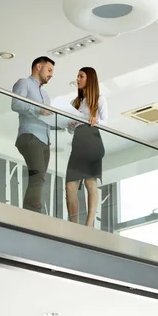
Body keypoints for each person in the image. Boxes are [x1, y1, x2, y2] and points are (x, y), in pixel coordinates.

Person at [11, 56, 55, 213]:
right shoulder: (24, 83)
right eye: (49, 70)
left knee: (39, 178)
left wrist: (63, 124)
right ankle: (34, 213)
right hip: (30, 135)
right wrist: (37, 109)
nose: (51, 74)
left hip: (45, 139)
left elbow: (46, 118)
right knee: (37, 176)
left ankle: (30, 213)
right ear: (38, 67)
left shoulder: (47, 96)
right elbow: (15, 104)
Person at [65, 67, 107, 227]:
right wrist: (71, 124)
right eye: (77, 76)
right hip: (78, 143)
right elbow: (69, 129)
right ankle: (74, 224)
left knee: (90, 182)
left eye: (81, 76)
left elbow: (105, 122)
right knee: (70, 186)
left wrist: (94, 120)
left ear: (90, 79)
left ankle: (89, 225)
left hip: (92, 141)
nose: (78, 79)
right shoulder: (74, 103)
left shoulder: (99, 99)